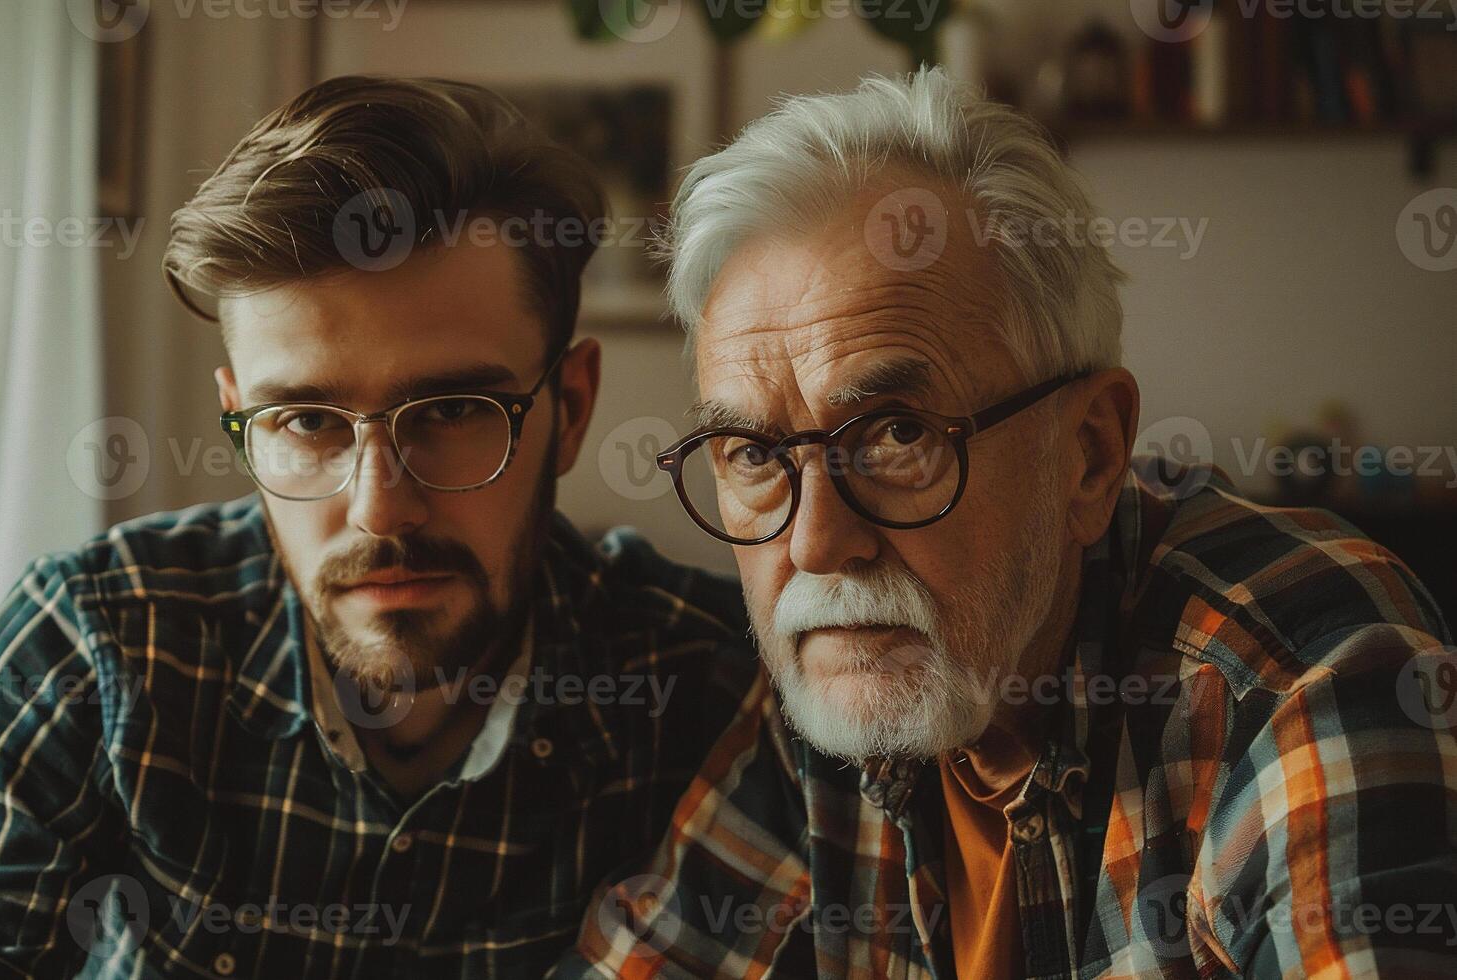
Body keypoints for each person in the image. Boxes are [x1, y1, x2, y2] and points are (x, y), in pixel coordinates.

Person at [564, 69, 1457, 977]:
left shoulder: (1303, 675)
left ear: (1089, 454)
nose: (814, 545)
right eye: (753, 454)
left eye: (896, 434)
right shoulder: (834, 680)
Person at [0, 76, 755, 978]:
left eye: (450, 412)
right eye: (304, 422)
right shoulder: (95, 645)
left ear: (568, 409)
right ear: (237, 415)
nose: (379, 507)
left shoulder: (707, 687)